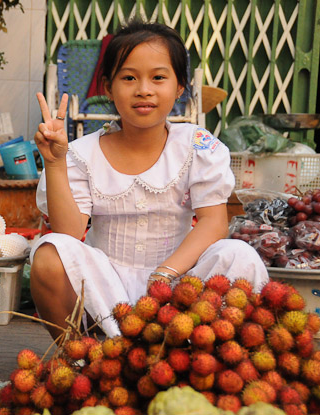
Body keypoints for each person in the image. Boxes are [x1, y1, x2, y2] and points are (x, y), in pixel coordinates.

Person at [30, 20, 269, 339]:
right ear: (108, 87)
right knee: (49, 251)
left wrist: (165, 274)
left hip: (180, 284)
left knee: (240, 255)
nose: (144, 89)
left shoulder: (196, 145)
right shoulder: (81, 153)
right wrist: (55, 163)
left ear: (180, 87)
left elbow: (214, 223)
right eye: (129, 78)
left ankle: (205, 354)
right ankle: (80, 361)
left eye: (158, 77)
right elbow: (70, 233)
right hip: (104, 288)